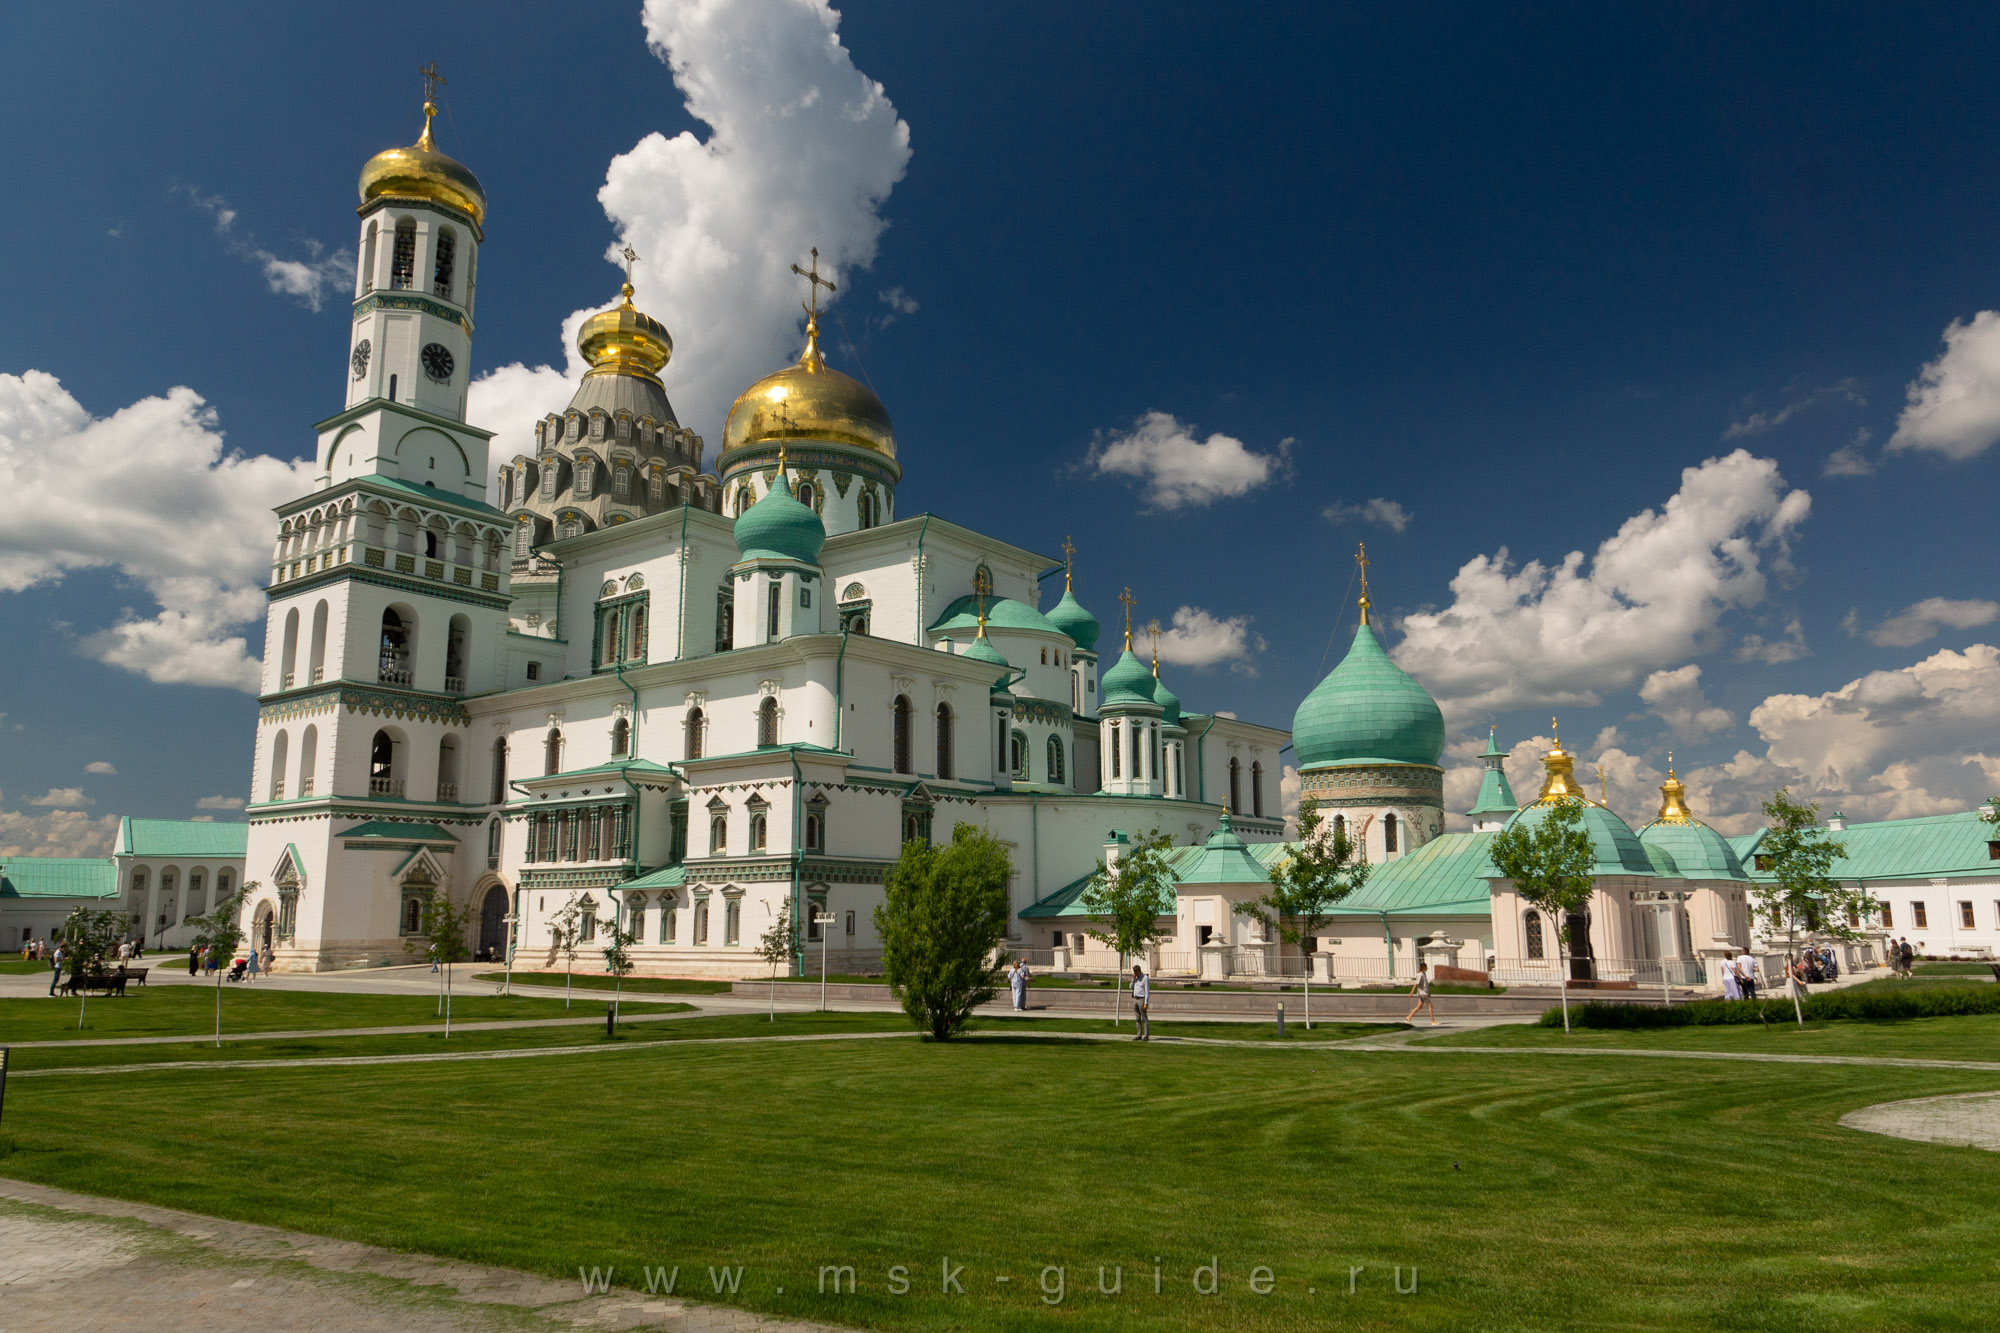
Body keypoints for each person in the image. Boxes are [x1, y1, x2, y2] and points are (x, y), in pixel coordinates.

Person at [1404, 961, 1440, 1026]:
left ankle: (1408, 1017)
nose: (1427, 968)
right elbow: (1416, 984)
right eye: (1426, 967)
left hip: (1424, 993)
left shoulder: (1423, 974)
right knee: (1430, 1006)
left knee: (1419, 1007)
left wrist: (1428, 991)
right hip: (1423, 994)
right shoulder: (1420, 974)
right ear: (1424, 967)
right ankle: (1433, 1021)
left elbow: (1425, 984)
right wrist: (1411, 992)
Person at [1130, 963, 1151, 1041]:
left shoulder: (1145, 978)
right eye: (1134, 972)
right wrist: (1133, 979)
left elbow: (1147, 991)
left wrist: (1146, 1003)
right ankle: (1139, 1035)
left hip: (1141, 999)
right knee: (1137, 1018)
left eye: (1136, 972)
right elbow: (1130, 987)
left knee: (1144, 1018)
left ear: (1139, 971)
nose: (1135, 974)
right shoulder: (1135, 978)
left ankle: (1146, 1035)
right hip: (1135, 999)